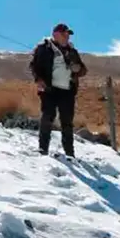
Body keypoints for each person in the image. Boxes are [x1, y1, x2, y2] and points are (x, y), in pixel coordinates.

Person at [29, 23, 88, 158]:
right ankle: (43, 149)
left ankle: (69, 153)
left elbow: (83, 70)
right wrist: (39, 80)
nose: (66, 37)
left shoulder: (72, 51)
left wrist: (78, 69)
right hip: (49, 90)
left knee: (67, 122)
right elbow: (34, 66)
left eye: (68, 34)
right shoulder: (44, 48)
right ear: (55, 34)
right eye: (64, 34)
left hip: (67, 91)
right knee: (47, 117)